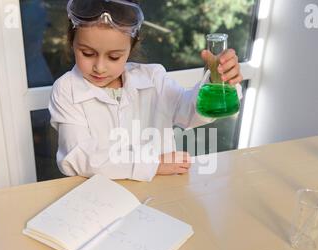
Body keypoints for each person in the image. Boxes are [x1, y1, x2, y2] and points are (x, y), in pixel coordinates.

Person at [49, 0, 243, 182]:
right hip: (98, 201)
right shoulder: (66, 89)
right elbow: (80, 157)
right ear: (71, 41)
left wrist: (217, 80)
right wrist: (154, 164)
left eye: (114, 57)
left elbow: (191, 113)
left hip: (159, 192)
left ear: (131, 47)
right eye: (88, 53)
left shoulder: (153, 79)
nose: (100, 67)